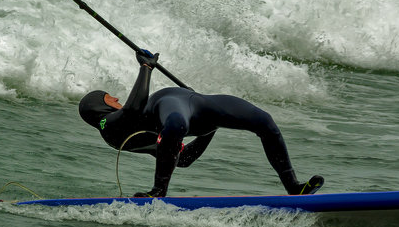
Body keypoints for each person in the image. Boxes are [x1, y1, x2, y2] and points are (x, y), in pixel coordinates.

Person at [78, 50, 324, 198]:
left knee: (265, 122)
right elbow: (133, 109)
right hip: (170, 105)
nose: (117, 98)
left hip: (198, 105)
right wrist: (145, 67)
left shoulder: (123, 131)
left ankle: (293, 187)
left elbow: (182, 158)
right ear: (101, 106)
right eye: (111, 97)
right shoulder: (109, 127)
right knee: (174, 124)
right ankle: (158, 192)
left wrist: (209, 130)